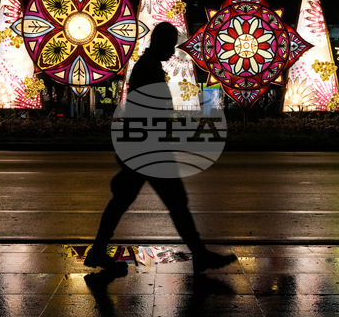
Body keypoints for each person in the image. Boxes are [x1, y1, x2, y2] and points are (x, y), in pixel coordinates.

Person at [85, 22, 237, 276]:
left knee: (126, 202)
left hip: (145, 149)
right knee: (174, 203)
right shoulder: (148, 69)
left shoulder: (148, 67)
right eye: (170, 45)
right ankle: (199, 254)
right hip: (149, 151)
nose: (172, 51)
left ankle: (98, 250)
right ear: (160, 43)